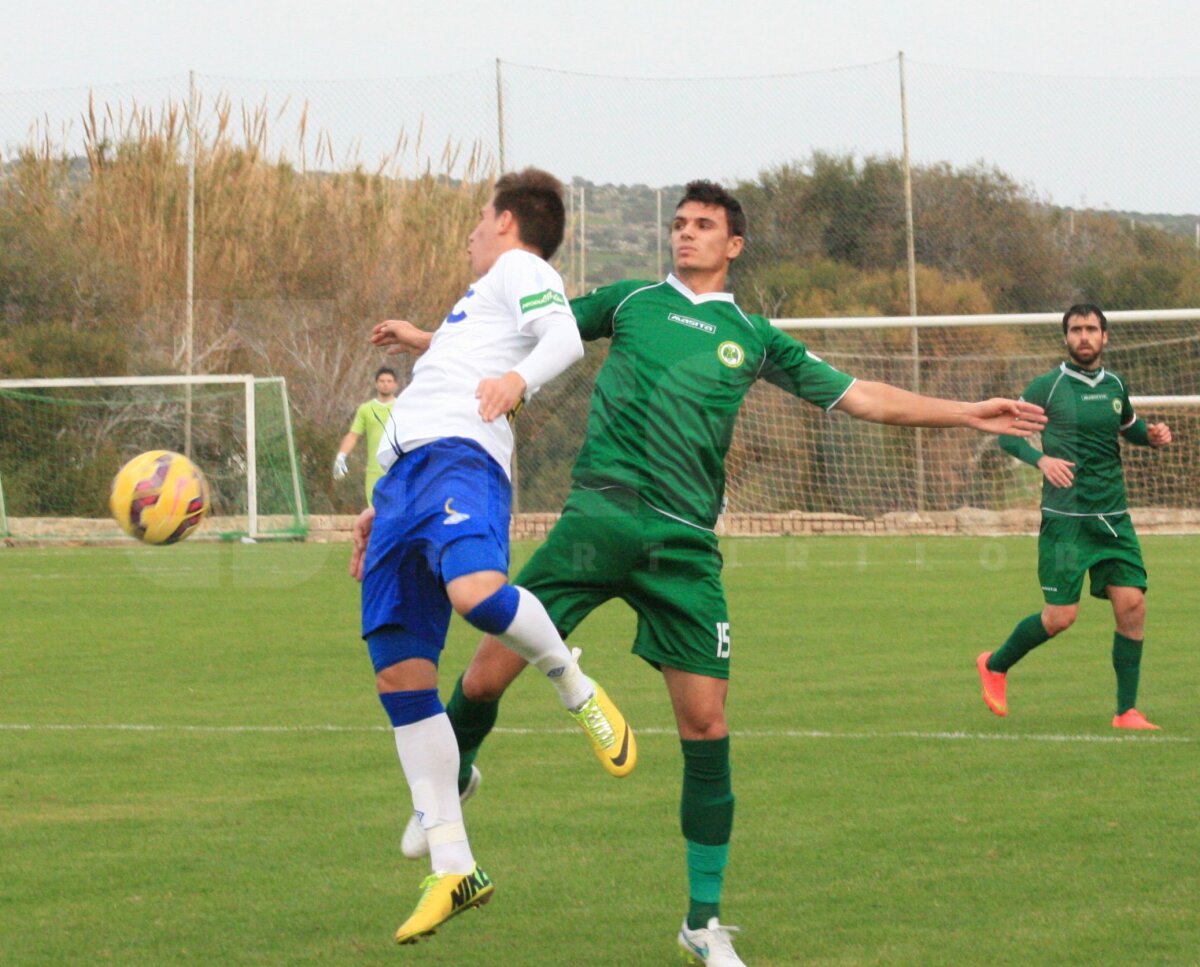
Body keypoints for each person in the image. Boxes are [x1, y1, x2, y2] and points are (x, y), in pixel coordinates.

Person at [392, 180, 1047, 966]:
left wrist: (966, 410)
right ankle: (453, 780)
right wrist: (430, 338)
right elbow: (524, 339)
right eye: (678, 224)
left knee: (706, 723)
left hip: (684, 545)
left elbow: (860, 396)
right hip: (597, 520)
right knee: (484, 674)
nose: (685, 235)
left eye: (703, 226)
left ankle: (703, 923)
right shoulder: (631, 301)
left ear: (733, 244)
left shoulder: (754, 336)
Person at [348, 167, 637, 946]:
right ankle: (454, 865)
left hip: (460, 457)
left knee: (478, 591)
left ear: (509, 221)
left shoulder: (521, 266)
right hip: (404, 479)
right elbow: (454, 358)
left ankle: (572, 682)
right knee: (400, 674)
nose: (472, 231)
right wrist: (379, 502)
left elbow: (564, 336)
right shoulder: (481, 299)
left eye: (481, 217)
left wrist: (515, 380)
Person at [977, 303, 1172, 730]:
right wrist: (1041, 459)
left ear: (1105, 337)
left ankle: (1126, 712)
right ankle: (995, 664)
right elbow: (1005, 434)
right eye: (1076, 329)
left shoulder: (1116, 385)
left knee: (1132, 604)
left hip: (1112, 519)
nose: (1083, 336)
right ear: (1066, 338)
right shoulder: (1049, 386)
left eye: (1091, 329)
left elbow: (1129, 427)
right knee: (1060, 618)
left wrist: (1152, 437)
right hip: (1065, 521)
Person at [333, 366, 399, 507]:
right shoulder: (366, 409)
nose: (385, 384)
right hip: (374, 471)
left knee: (399, 513)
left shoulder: (403, 407)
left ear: (395, 384)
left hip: (398, 468)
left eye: (389, 381)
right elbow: (353, 435)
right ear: (376, 384)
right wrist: (341, 456)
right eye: (382, 381)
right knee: (375, 513)